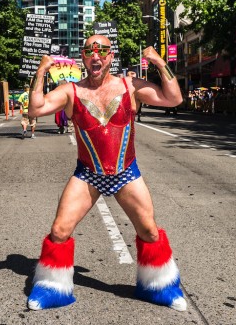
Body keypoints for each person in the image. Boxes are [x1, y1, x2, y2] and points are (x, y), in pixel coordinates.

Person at [26, 34, 186, 311]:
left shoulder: (130, 86)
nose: (96, 56)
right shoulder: (70, 91)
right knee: (59, 230)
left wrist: (160, 62)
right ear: (83, 57)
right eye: (90, 52)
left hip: (126, 173)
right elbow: (34, 109)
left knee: (149, 231)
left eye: (102, 51)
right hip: (88, 174)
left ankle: (160, 287)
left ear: (111, 56)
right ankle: (52, 288)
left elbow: (174, 98)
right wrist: (40, 71)